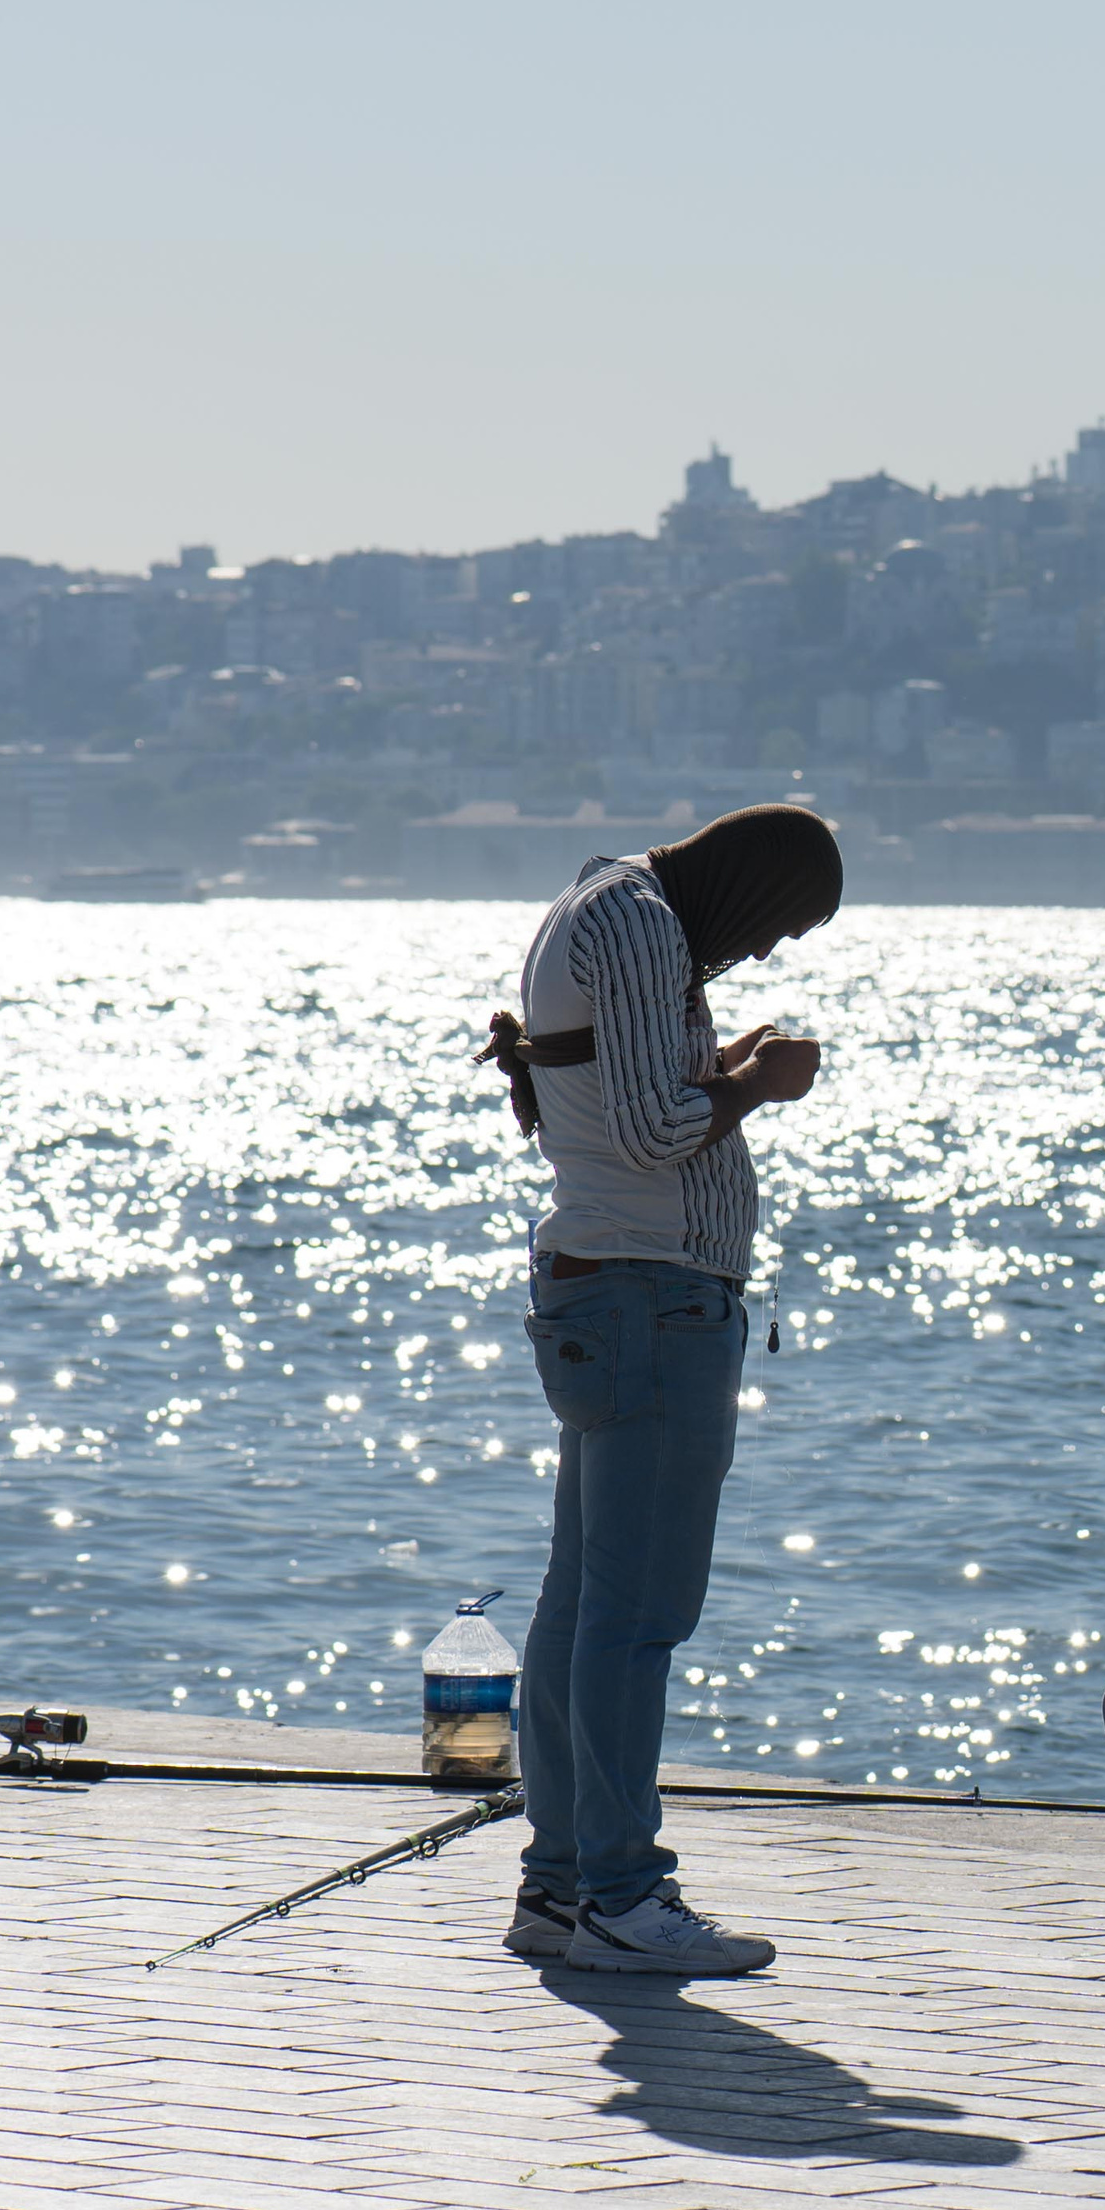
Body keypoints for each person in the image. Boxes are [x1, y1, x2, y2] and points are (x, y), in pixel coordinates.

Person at [478, 804, 843, 1975]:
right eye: (780, 922)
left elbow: (618, 1105)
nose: (770, 950)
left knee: (582, 1601)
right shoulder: (638, 926)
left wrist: (721, 1067)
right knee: (634, 1619)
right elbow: (650, 1133)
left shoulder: (598, 905)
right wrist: (759, 1084)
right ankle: (622, 1898)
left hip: (611, 1292)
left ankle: (560, 1883)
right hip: (652, 1302)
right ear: (746, 884)